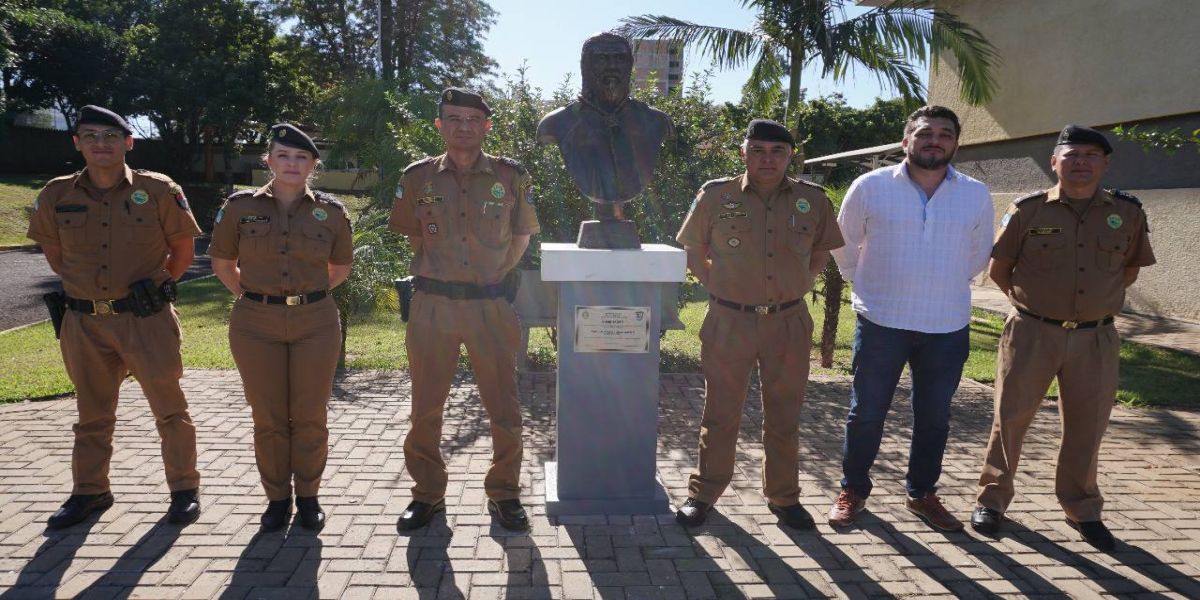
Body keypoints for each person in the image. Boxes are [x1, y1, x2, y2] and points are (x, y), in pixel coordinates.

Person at [970, 125, 1155, 549]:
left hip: (1096, 338)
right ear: (1054, 162)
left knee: (1088, 426)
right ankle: (993, 500)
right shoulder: (1028, 209)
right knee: (1010, 417)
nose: (1081, 162)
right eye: (1072, 155)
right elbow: (1000, 270)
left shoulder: (1127, 212)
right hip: (1033, 332)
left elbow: (1129, 269)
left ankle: (1081, 508)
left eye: (1092, 155)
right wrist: (1036, 307)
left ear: (1105, 163)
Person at [26, 105, 203, 528]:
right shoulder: (56, 194)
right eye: (90, 136)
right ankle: (90, 491)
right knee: (91, 414)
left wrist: (157, 288)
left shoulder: (158, 189)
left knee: (170, 410)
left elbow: (182, 250)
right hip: (84, 323)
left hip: (146, 321)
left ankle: (183, 490)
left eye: (109, 136)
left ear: (128, 142)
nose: (100, 144)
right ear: (77, 143)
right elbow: (56, 257)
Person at [829, 105, 994, 531]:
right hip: (881, 320)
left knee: (935, 417)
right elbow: (843, 242)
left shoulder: (975, 193)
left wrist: (939, 284)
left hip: (946, 326)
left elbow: (979, 254)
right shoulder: (870, 185)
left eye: (944, 133)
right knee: (866, 411)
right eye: (924, 133)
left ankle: (922, 494)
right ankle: (853, 489)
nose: (934, 140)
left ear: (956, 143)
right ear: (906, 141)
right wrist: (863, 282)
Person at [674, 119, 844, 529]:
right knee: (720, 412)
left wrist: (800, 283)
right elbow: (693, 250)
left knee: (785, 414)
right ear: (743, 153)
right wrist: (717, 284)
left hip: (788, 322)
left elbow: (820, 251)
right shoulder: (715, 195)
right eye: (758, 151)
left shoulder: (813, 199)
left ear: (790, 156)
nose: (767, 160)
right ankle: (705, 493)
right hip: (729, 320)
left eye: (777, 152)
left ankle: (784, 497)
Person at [388, 88, 541, 532]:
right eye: (453, 118)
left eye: (473, 119)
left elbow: (520, 239)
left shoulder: (510, 176)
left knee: (503, 404)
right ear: (440, 125)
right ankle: (428, 495)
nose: (463, 126)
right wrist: (443, 275)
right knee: (426, 406)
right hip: (432, 305)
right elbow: (414, 237)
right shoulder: (417, 178)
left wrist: (490, 276)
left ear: (486, 126)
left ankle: (505, 493)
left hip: (490, 306)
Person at [209, 124, 353, 532]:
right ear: (268, 160)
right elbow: (222, 264)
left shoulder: (332, 212)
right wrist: (260, 296)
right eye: (283, 156)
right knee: (268, 416)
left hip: (315, 322)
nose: (292, 164)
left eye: (301, 157)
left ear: (313, 165)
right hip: (255, 323)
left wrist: (303, 296)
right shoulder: (238, 207)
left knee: (310, 414)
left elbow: (340, 268)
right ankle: (276, 498)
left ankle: (308, 495)